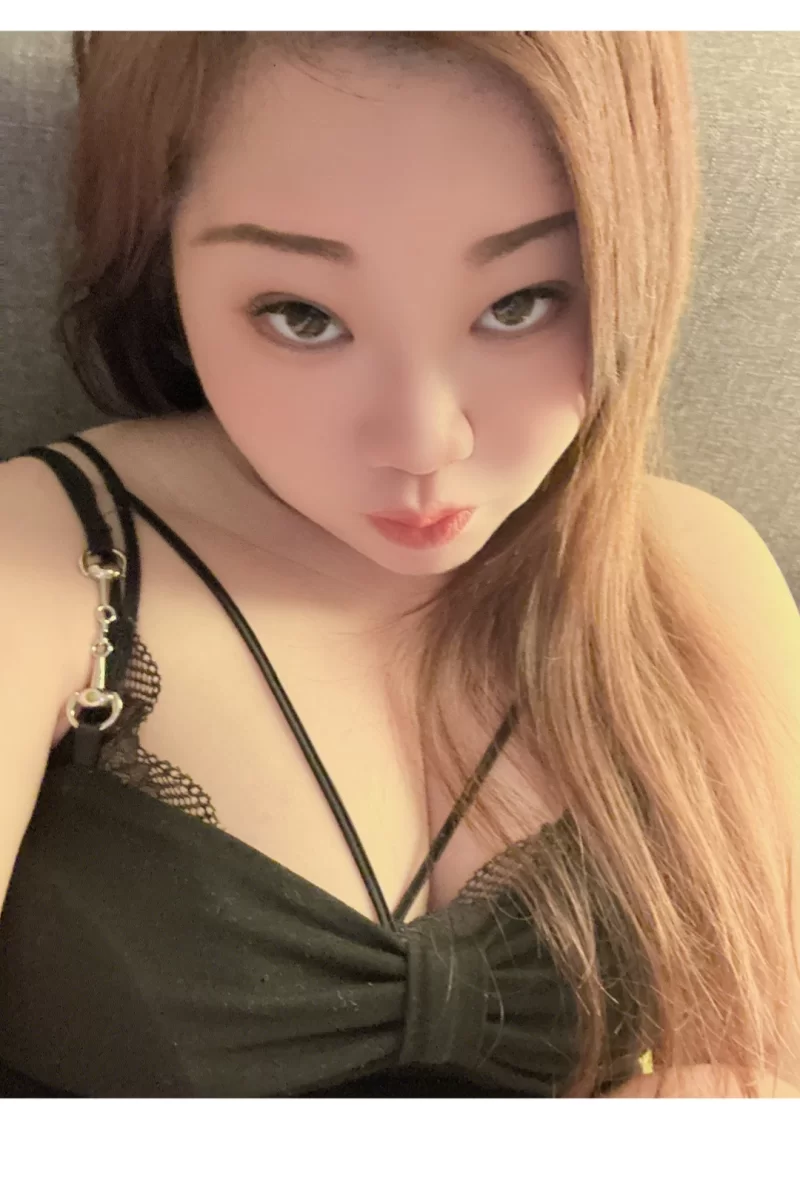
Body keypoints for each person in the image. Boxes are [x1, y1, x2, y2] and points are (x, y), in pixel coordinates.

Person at [0, 31, 798, 1098]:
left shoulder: (693, 576)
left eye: (520, 302)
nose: (426, 443)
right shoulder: (38, 563)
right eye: (302, 315)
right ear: (163, 254)